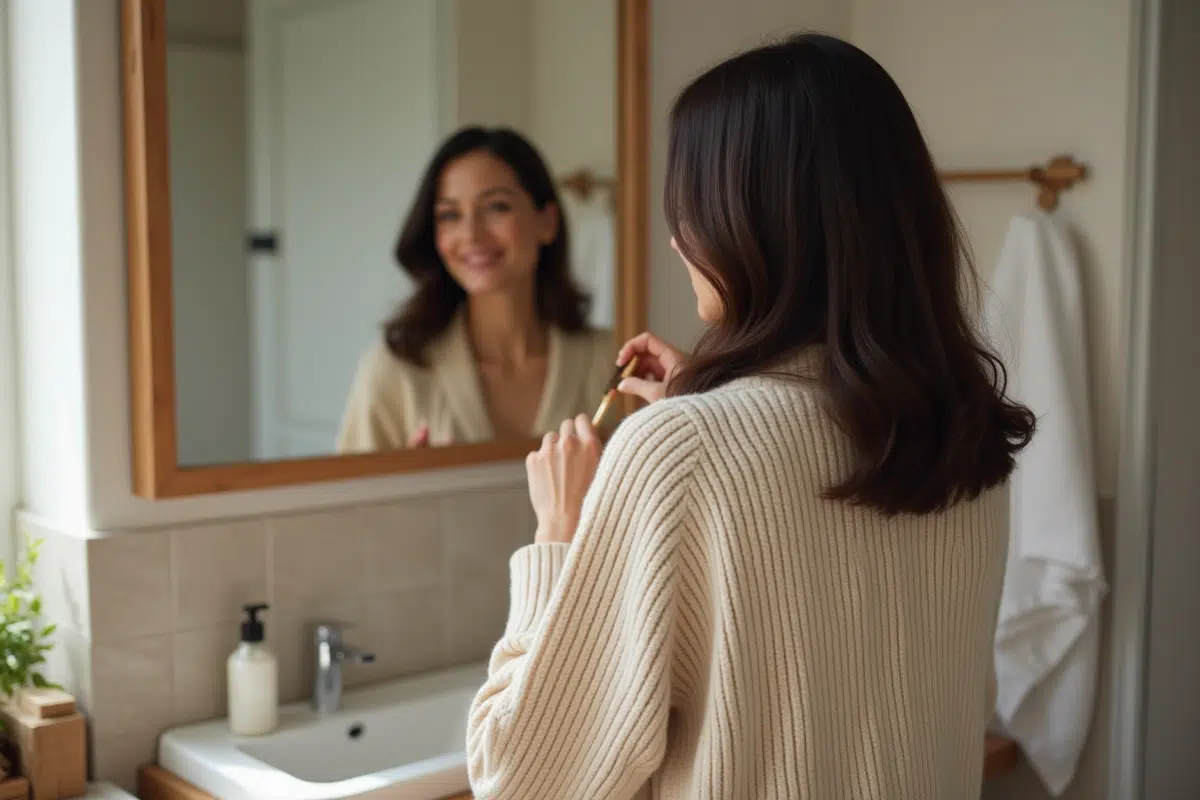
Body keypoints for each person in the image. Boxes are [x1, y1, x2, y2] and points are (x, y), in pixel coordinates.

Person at [466, 33, 1036, 800]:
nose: (675, 236)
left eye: (689, 202)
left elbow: (519, 778)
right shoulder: (961, 437)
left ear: (748, 220)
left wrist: (559, 537)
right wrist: (706, 411)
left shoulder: (676, 451)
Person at [337, 127, 615, 452]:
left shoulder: (611, 361)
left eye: (496, 207)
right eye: (450, 215)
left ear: (547, 222)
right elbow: (349, 502)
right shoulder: (393, 371)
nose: (471, 234)